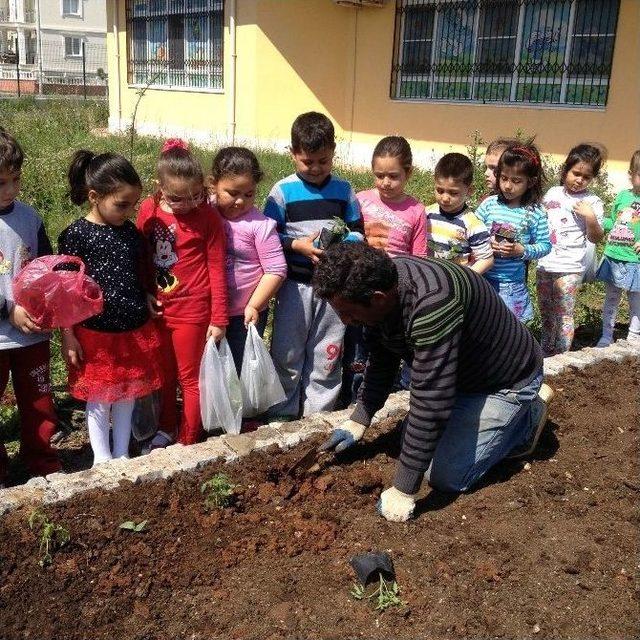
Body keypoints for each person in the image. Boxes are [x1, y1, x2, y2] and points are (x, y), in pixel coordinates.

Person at [313, 243, 553, 522]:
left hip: (504, 381)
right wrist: (360, 419)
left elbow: (431, 400)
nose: (346, 321)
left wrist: (403, 490)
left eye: (349, 313)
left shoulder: (432, 303)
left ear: (378, 299)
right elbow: (382, 356)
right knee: (412, 446)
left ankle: (526, 419)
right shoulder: (381, 283)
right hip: (460, 375)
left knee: (446, 475)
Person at [59, 150, 163, 466]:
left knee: (128, 391)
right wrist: (68, 334)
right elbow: (65, 290)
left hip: (132, 328)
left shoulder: (129, 232)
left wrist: (146, 293)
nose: (129, 212)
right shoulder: (76, 235)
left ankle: (121, 452)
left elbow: (140, 269)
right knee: (100, 396)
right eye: (122, 205)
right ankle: (101, 458)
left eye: (133, 205)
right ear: (94, 196)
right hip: (94, 332)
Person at [264, 112, 363, 419]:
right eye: (308, 162)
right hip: (295, 286)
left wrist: (339, 244)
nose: (316, 169)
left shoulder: (344, 191)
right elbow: (267, 236)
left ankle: (317, 415)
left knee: (327, 352)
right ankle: (282, 413)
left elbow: (358, 232)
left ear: (334, 152)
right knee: (287, 351)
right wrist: (297, 245)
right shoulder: (282, 192)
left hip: (333, 289)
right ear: (293, 154)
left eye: (324, 160)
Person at [137, 139, 228, 447]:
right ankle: (166, 427)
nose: (186, 204)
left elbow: (216, 269)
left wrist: (219, 318)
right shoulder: (148, 211)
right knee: (164, 375)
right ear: (159, 187)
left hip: (192, 310)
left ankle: (189, 437)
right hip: (157, 308)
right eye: (176, 198)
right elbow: (138, 254)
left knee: (190, 378)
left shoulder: (208, 217)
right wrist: (141, 297)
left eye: (194, 196)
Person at [340, 135, 426, 406]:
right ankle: (350, 399)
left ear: (408, 173)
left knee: (385, 349)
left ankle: (381, 398)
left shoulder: (416, 210)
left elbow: (419, 257)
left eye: (393, 176)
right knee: (356, 349)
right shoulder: (361, 200)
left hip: (391, 295)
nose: (385, 183)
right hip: (358, 292)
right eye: (379, 176)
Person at [0, 128, 61, 484]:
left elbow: (45, 268)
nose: (10, 190)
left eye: (16, 179)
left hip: (32, 336)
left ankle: (42, 464)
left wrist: (48, 304)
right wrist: (8, 309)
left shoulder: (29, 217)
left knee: (39, 402)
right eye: (1, 182)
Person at [209, 146, 286, 375]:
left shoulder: (260, 225)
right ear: (213, 184)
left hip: (243, 315)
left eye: (249, 194)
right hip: (209, 311)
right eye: (232, 193)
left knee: (240, 368)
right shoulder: (203, 213)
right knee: (213, 369)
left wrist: (254, 304)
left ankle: (242, 411)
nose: (241, 201)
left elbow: (276, 269)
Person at [536, 144, 605, 355]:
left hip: (571, 267)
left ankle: (562, 355)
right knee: (546, 312)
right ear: (565, 169)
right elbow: (540, 219)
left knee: (564, 313)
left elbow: (596, 237)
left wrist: (590, 216)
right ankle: (546, 352)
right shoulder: (552, 193)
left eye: (586, 177)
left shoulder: (593, 202)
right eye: (576, 173)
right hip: (545, 263)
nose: (579, 180)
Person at [476, 141, 551, 323]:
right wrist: (486, 242)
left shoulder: (535, 213)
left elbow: (545, 246)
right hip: (482, 279)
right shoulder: (489, 204)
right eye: (503, 178)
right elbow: (472, 231)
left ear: (530, 182)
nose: (508, 186)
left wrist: (522, 250)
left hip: (511, 286)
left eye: (516, 181)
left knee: (510, 330)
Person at [595, 149, 640, 347]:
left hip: (635, 260)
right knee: (611, 298)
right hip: (614, 256)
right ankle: (606, 335)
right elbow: (612, 221)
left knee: (636, 300)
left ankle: (634, 335)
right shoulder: (622, 196)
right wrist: (592, 220)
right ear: (631, 174)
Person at [426, 152, 494, 273]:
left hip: (455, 284)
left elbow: (486, 260)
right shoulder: (426, 214)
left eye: (453, 193)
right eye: (440, 190)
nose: (445, 198)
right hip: (428, 278)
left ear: (469, 191)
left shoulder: (473, 224)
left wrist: (466, 278)